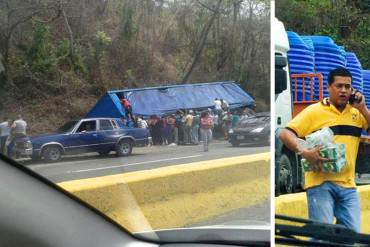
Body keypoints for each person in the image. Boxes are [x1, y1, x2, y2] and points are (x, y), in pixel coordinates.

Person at [279, 68, 370, 233]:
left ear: (352, 90)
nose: (343, 90)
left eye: (347, 87)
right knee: (323, 236)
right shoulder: (315, 111)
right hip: (320, 184)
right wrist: (304, 152)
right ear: (329, 87)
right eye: (339, 86)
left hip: (348, 186)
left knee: (352, 236)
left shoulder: (357, 113)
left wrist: (363, 108)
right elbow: (285, 134)